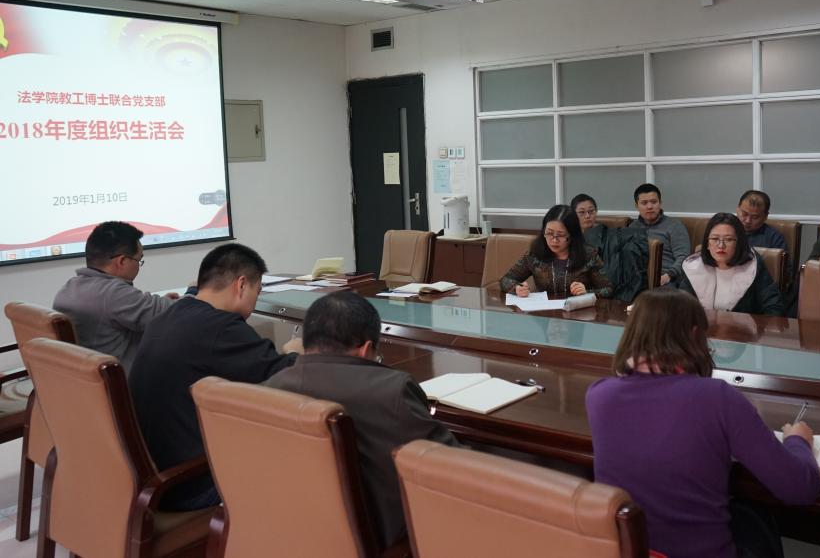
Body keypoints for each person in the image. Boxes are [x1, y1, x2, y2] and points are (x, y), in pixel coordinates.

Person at [586, 289, 820, 558]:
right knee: (754, 517)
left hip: (630, 552)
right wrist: (798, 440)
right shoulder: (717, 397)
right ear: (696, 335)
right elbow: (799, 488)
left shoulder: (599, 395)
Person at [266, 291, 459, 547]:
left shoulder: (272, 387)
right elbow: (452, 467)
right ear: (366, 349)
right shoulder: (392, 391)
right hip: (384, 542)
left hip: (294, 535)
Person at [129, 243, 302, 511]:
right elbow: (288, 377)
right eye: (257, 291)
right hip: (189, 484)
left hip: (150, 473)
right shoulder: (221, 328)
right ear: (241, 285)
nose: (255, 301)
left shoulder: (169, 315)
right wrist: (293, 351)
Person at [53, 220, 179, 374]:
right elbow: (177, 314)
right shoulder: (113, 293)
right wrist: (193, 291)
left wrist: (160, 302)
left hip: (87, 379)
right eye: (138, 260)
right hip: (126, 382)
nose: (139, 266)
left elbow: (138, 310)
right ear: (122, 261)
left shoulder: (71, 287)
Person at [676, 213, 785, 316]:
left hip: (743, 328)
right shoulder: (693, 267)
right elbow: (681, 308)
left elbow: (774, 307)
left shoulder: (753, 265)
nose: (721, 245)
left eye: (728, 239)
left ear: (739, 243)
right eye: (715, 239)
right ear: (707, 243)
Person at [500, 204, 612, 299]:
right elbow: (506, 280)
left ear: (572, 235)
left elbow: (608, 289)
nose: (554, 240)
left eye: (561, 235)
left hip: (578, 313)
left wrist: (587, 293)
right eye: (549, 233)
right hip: (544, 313)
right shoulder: (534, 254)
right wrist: (517, 288)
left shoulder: (589, 255)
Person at [571, 193, 649, 302]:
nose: (587, 216)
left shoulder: (607, 234)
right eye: (582, 212)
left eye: (591, 211)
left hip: (603, 287)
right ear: (573, 215)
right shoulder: (567, 236)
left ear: (596, 212)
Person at [629, 183, 691, 285]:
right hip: (638, 279)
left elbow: (684, 258)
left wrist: (668, 276)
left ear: (660, 203)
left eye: (654, 202)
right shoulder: (632, 228)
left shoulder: (674, 225)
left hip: (668, 278)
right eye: (644, 203)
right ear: (637, 206)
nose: (650, 206)